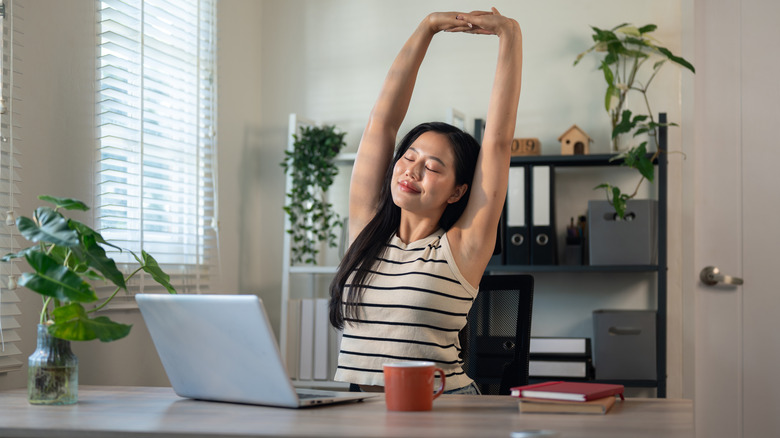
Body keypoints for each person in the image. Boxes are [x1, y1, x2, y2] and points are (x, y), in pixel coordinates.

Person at [329, 8, 523, 395]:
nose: (412, 171)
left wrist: (510, 35)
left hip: (442, 412)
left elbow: (498, 142)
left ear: (457, 191)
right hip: (357, 410)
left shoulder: (461, 247)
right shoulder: (367, 232)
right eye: (410, 156)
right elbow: (382, 122)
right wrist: (427, 27)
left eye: (432, 167)